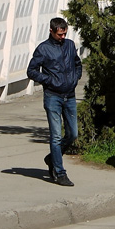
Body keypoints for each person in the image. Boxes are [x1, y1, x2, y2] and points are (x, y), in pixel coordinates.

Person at [27, 17, 82, 187]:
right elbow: (31, 71)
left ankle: (52, 158)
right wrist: (49, 80)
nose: (63, 37)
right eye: (60, 34)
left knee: (73, 134)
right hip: (53, 97)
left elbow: (77, 63)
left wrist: (75, 78)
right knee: (56, 135)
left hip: (69, 96)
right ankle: (59, 172)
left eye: (65, 33)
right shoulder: (43, 49)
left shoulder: (70, 45)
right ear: (51, 31)